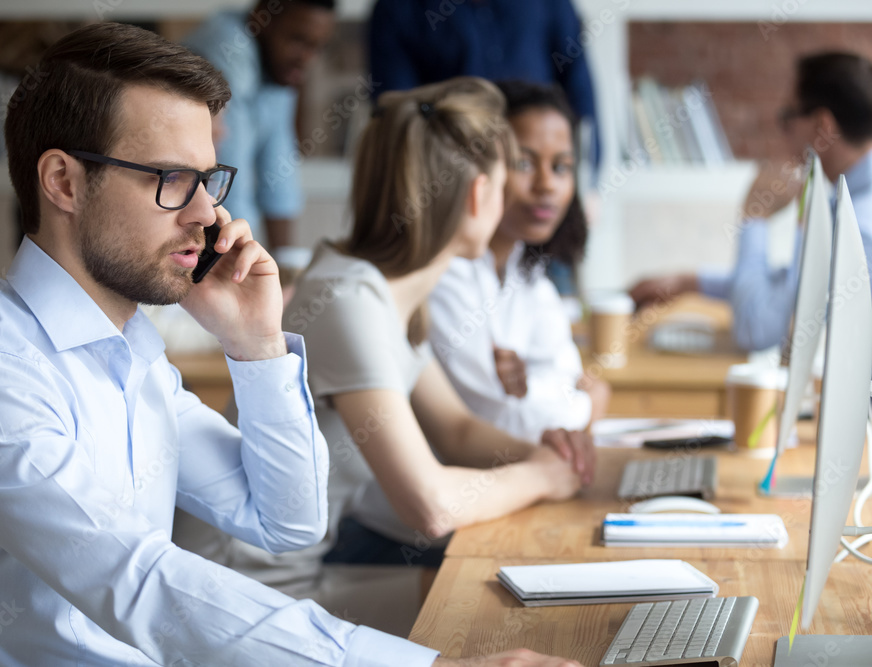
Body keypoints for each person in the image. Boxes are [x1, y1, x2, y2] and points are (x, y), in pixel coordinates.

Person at [0, 23, 581, 667]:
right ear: (64, 181)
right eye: (170, 180)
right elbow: (142, 585)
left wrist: (258, 345)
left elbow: (288, 520)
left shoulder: (131, 354)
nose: (208, 215)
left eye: (208, 180)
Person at [174, 76, 594, 640]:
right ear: (478, 194)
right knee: (505, 620)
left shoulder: (388, 294)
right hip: (242, 605)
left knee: (508, 606)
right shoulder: (351, 299)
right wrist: (545, 476)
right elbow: (431, 506)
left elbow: (460, 430)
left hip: (292, 581)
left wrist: (550, 454)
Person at [630, 51, 872, 383]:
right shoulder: (854, 196)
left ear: (822, 126)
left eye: (787, 117)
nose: (783, 134)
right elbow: (792, 289)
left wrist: (754, 215)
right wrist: (690, 283)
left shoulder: (861, 231)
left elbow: (758, 326)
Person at [428, 81, 610, 442]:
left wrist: (531, 388)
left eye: (561, 167)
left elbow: (565, 374)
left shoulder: (528, 275)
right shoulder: (443, 274)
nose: (546, 185)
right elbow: (498, 421)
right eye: (524, 163)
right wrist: (592, 404)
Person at [368, 0, 600, 176]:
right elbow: (397, 113)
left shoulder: (550, 4)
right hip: (450, 176)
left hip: (534, 174)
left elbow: (578, 85)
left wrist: (588, 177)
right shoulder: (398, 7)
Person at [184, 0, 336, 249]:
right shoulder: (227, 48)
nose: (307, 59)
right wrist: (247, 263)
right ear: (261, 18)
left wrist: (286, 263)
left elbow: (278, 170)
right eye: (298, 40)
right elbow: (230, 179)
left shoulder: (279, 67)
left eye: (317, 47)